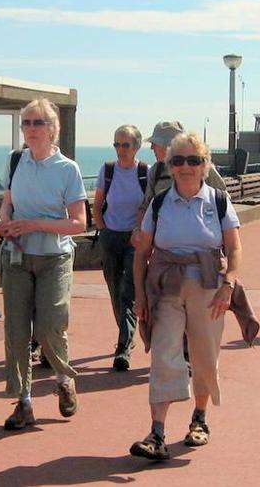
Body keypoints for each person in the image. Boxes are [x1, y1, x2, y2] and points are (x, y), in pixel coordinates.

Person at [130, 133, 243, 461]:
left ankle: (199, 419)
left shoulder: (218, 201)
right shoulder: (160, 202)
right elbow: (142, 252)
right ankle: (157, 433)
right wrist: (140, 296)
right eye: (178, 160)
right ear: (170, 166)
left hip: (209, 288)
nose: (185, 166)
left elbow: (234, 248)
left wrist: (229, 284)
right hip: (167, 288)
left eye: (194, 160)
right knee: (163, 352)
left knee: (204, 355)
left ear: (205, 165)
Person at [0, 99, 88, 430]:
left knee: (51, 326)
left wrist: (34, 224)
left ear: (53, 128)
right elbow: (7, 204)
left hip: (55, 258)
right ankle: (23, 402)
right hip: (18, 256)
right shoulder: (15, 160)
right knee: (17, 331)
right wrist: (5, 223)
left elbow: (79, 223)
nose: (31, 129)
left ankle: (64, 378)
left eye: (38, 123)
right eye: (26, 123)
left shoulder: (68, 169)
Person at [92, 124, 147, 372]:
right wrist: (103, 229)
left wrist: (140, 232)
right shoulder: (108, 170)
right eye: (117, 144)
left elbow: (149, 206)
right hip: (110, 237)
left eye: (125, 145)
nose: (120, 149)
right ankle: (125, 334)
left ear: (136, 147)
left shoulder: (145, 172)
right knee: (115, 289)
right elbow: (97, 204)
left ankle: (124, 347)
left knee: (129, 290)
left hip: (134, 238)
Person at [133, 121, 226, 244]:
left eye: (155, 144)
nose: (151, 148)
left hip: (201, 244)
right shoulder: (156, 171)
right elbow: (145, 205)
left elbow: (223, 198)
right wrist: (139, 230)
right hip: (165, 244)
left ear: (168, 145)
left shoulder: (201, 167)